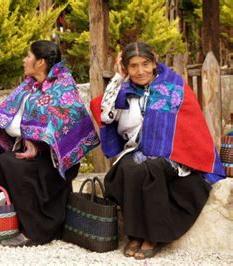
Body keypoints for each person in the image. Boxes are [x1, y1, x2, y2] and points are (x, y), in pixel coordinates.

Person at [90, 42, 226, 259]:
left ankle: (153, 236)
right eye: (133, 66)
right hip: (137, 149)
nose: (140, 71)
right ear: (126, 68)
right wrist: (117, 78)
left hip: (173, 154)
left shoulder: (173, 86)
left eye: (145, 64)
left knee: (152, 168)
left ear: (154, 62)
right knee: (127, 168)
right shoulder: (124, 91)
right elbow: (106, 115)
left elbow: (191, 127)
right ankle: (135, 234)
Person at [0, 40, 100, 246]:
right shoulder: (28, 85)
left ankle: (37, 231)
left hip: (56, 159)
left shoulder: (63, 86)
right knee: (0, 162)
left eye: (28, 56)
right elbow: (9, 114)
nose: (24, 60)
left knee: (15, 167)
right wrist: (28, 139)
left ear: (41, 63)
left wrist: (38, 144)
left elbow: (68, 118)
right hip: (30, 150)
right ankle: (4, 223)